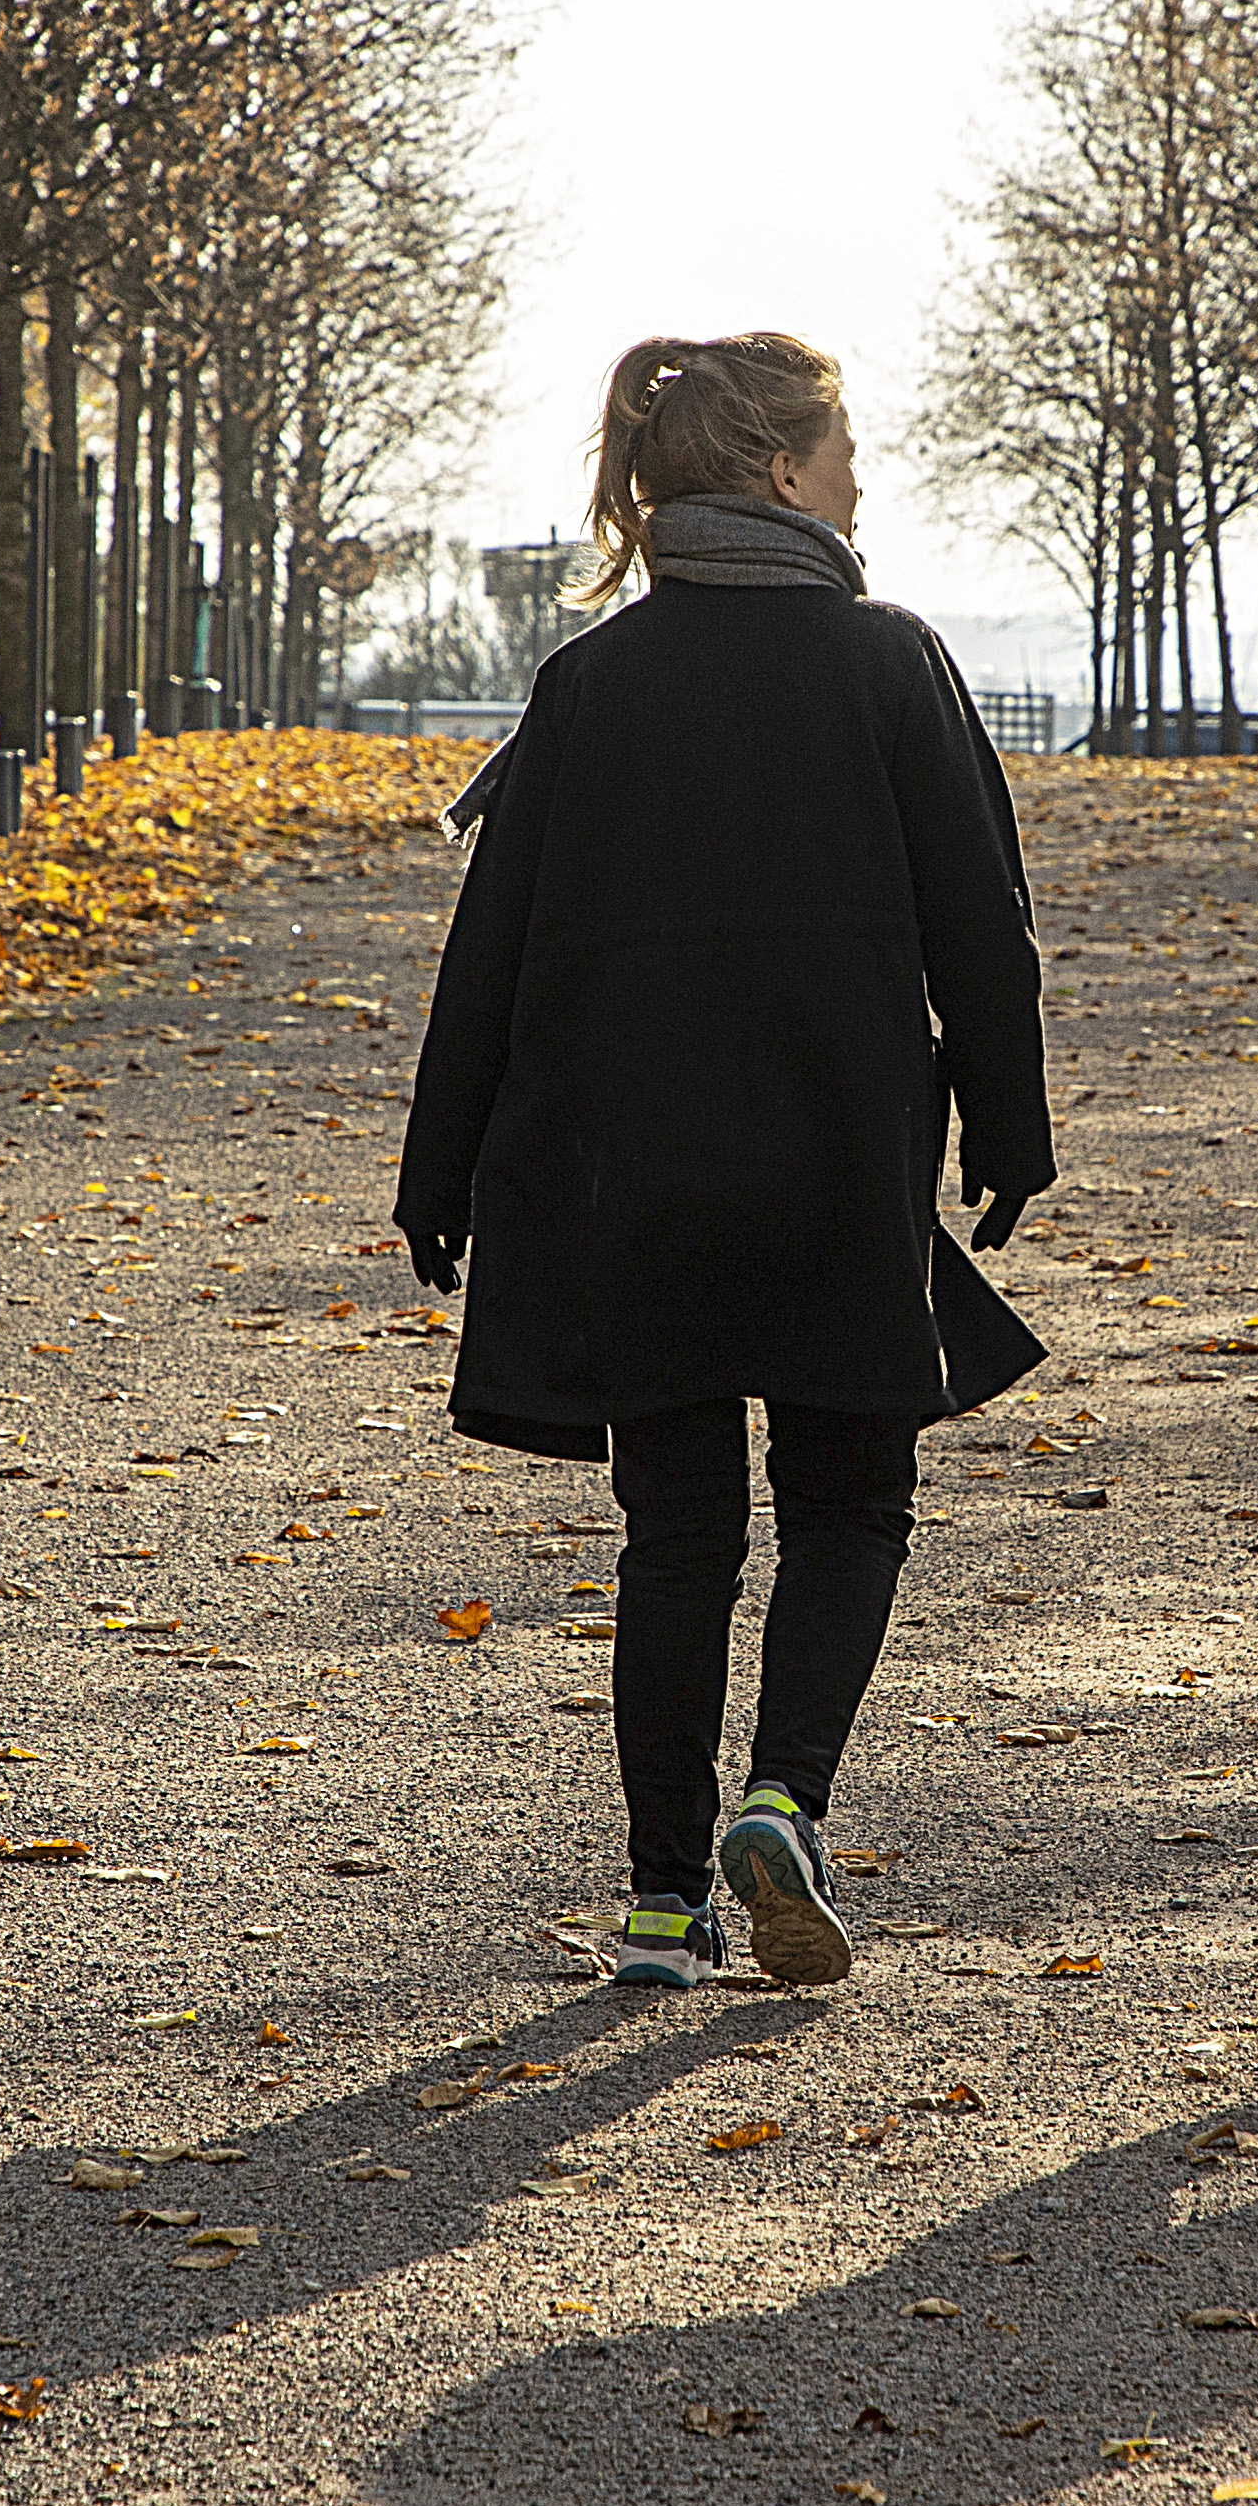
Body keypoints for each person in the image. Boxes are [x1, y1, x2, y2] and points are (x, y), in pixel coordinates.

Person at [398, 333, 1055, 1991]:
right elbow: (986, 926)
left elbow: (491, 952)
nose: (859, 481)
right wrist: (1011, 1121)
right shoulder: (892, 665)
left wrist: (441, 1167)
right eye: (843, 453)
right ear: (780, 474)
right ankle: (784, 1799)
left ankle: (659, 1902)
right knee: (852, 1501)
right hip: (840, 1159)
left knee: (677, 1531)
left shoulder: (589, 687)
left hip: (638, 1180)